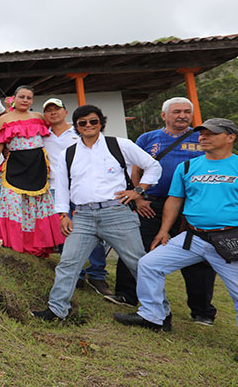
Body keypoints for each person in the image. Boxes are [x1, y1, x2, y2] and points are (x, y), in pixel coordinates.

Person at [31, 104, 161, 322]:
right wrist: (63, 215)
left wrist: (138, 190)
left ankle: (158, 314)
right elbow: (62, 186)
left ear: (101, 123)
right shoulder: (68, 153)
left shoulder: (119, 144)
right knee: (68, 263)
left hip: (117, 213)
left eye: (93, 121)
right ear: (77, 127)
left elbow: (153, 166)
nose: (88, 126)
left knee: (138, 264)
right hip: (82, 216)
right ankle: (57, 310)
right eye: (82, 123)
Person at [113, 118, 238, 343]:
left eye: (212, 133)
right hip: (194, 237)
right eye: (202, 133)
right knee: (149, 264)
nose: (203, 137)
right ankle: (154, 317)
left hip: (230, 239)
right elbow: (175, 199)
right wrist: (164, 231)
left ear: (230, 137)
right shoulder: (189, 166)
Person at [108, 97, 217, 323]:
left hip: (190, 208)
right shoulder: (148, 138)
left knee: (198, 258)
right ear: (164, 115)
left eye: (187, 112)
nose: (182, 115)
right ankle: (126, 295)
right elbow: (136, 168)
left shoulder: (203, 138)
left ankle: (202, 311)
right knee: (136, 248)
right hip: (151, 205)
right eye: (177, 111)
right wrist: (138, 198)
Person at [0, 86, 64, 256]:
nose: (25, 100)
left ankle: (35, 242)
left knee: (34, 206)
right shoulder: (4, 119)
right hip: (14, 167)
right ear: (14, 98)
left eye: (29, 98)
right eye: (22, 97)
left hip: (37, 168)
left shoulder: (39, 117)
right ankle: (13, 241)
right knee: (12, 204)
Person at [41, 98, 110, 294]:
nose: (53, 113)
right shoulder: (42, 135)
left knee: (95, 231)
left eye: (57, 109)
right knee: (66, 231)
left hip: (83, 188)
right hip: (56, 188)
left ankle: (97, 274)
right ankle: (75, 274)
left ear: (65, 112)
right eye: (49, 110)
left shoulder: (79, 131)